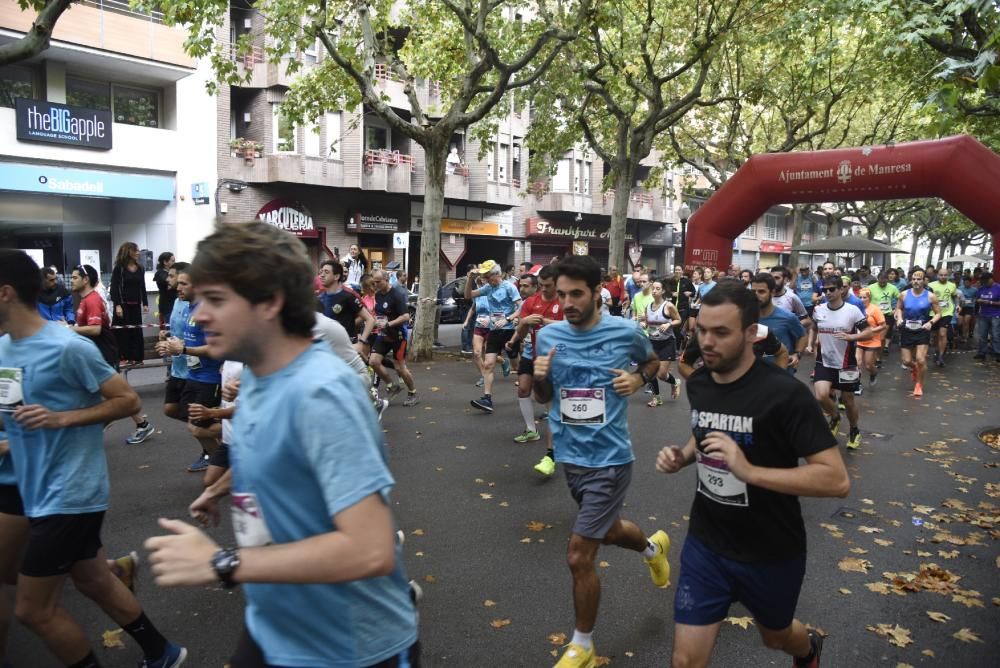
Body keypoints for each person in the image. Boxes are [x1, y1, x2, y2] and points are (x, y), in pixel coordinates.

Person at [143, 222, 418, 667]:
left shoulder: (321, 393)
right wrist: (216, 490)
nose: (198, 316)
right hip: (276, 623)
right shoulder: (256, 376)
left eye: (216, 300)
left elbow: (370, 549)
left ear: (269, 302)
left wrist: (224, 564)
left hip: (350, 647)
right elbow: (268, 456)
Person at [0, 249, 186, 668]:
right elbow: (13, 412)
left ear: (5, 293)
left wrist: (64, 418)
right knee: (92, 578)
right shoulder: (4, 350)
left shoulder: (65, 347)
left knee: (33, 610)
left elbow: (127, 400)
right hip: (29, 487)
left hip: (70, 491)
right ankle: (163, 653)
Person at [655, 279, 849, 668]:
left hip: (770, 548)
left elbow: (835, 479)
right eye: (703, 330)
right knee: (684, 661)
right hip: (707, 542)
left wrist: (748, 470)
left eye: (721, 333)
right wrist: (684, 456)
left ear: (749, 334)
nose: (707, 342)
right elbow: (707, 433)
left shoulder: (784, 394)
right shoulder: (701, 384)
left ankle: (808, 647)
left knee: (776, 637)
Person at [532, 255, 670, 668]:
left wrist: (639, 379)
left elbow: (653, 361)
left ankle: (583, 646)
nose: (568, 302)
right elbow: (542, 397)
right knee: (607, 532)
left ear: (597, 293)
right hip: (571, 458)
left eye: (577, 294)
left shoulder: (626, 331)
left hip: (610, 459)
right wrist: (540, 376)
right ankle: (651, 549)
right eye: (562, 295)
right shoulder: (548, 337)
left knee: (579, 555)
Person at [70, 264, 155, 445]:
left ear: (86, 280)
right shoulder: (85, 300)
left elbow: (95, 329)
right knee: (107, 394)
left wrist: (70, 329)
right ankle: (101, 426)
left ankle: (141, 424)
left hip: (103, 352)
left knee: (116, 395)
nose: (72, 280)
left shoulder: (91, 300)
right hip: (95, 353)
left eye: (75, 277)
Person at [154, 264, 223, 473]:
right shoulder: (190, 307)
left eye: (184, 283)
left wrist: (183, 349)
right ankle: (220, 461)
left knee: (197, 428)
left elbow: (216, 348)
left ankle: (227, 458)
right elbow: (189, 342)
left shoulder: (207, 310)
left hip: (209, 378)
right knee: (190, 422)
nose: (178, 287)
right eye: (179, 283)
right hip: (192, 375)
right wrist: (172, 344)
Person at [809, 276, 874, 450]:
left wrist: (852, 336)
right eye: (825, 290)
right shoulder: (819, 309)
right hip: (824, 361)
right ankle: (835, 416)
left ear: (840, 290)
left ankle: (854, 430)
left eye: (832, 289)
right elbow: (813, 328)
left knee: (849, 400)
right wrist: (810, 343)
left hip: (847, 363)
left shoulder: (852, 310)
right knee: (821, 395)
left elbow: (869, 332)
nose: (828, 293)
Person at [465, 260, 521, 413]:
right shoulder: (488, 288)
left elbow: (521, 307)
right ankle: (487, 399)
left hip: (509, 331)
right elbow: (468, 295)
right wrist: (470, 279)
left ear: (496, 274)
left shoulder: (509, 287)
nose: (486, 279)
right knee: (489, 364)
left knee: (517, 367)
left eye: (488, 276)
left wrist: (508, 319)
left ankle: (529, 385)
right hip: (494, 331)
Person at [371, 269, 419, 407]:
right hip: (383, 334)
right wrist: (375, 321)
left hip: (398, 336)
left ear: (386, 280)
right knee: (373, 361)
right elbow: (379, 313)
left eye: (378, 282)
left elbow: (405, 317)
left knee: (400, 368)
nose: (376, 284)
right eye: (374, 282)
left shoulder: (396, 295)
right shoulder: (378, 295)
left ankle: (412, 392)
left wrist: (388, 324)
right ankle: (392, 386)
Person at [894, 269, 941, 397]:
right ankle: (914, 368)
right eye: (914, 279)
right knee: (906, 361)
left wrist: (930, 323)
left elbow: (938, 314)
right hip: (907, 330)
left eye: (919, 279)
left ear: (924, 281)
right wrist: (899, 318)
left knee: (921, 360)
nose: (916, 281)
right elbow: (898, 308)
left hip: (922, 330)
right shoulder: (904, 294)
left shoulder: (930, 296)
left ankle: (918, 385)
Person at [317, 260, 375, 353]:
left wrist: (361, 342)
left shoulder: (348, 296)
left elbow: (370, 319)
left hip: (346, 347)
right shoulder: (320, 297)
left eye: (326, 272)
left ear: (336, 276)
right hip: (327, 347)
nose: (322, 275)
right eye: (321, 272)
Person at [751, 273, 806, 373]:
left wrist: (797, 354)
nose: (756, 295)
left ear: (772, 292)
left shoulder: (787, 317)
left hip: (782, 373)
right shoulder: (746, 317)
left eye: (761, 291)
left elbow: (802, 336)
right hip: (755, 374)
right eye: (753, 291)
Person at [640, 280, 683, 406]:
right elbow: (647, 324)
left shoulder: (668, 306)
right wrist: (643, 324)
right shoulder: (648, 306)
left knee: (662, 374)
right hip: (652, 342)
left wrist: (668, 323)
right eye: (653, 288)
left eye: (657, 288)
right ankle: (656, 398)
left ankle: (675, 382)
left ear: (663, 291)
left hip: (667, 343)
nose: (654, 290)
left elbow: (678, 320)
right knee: (651, 372)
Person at [111, 242, 149, 366]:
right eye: (135, 250)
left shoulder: (140, 268)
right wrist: (117, 305)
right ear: (128, 252)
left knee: (136, 330)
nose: (138, 252)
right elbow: (115, 288)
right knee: (122, 332)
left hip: (135, 304)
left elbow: (142, 286)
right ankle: (123, 357)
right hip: (123, 305)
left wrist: (145, 303)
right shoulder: (119, 268)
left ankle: (137, 357)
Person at [856, 288, 887, 389]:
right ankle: (857, 383)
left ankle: (873, 374)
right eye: (860, 297)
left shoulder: (874, 309)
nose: (862, 299)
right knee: (857, 362)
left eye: (864, 297)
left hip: (872, 341)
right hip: (860, 340)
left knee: (868, 365)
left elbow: (883, 326)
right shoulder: (856, 308)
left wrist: (870, 331)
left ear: (869, 298)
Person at [928, 270, 958, 367]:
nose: (943, 277)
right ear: (937, 275)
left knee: (942, 333)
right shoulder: (931, 285)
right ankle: (937, 350)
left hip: (947, 312)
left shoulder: (952, 285)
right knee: (936, 334)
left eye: (945, 275)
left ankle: (941, 356)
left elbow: (955, 296)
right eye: (941, 275)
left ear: (948, 276)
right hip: (934, 313)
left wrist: (957, 305)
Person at [867, 271, 900, 359]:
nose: (882, 283)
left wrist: (896, 309)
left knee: (881, 337)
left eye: (884, 282)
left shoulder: (893, 288)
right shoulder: (870, 288)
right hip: (873, 315)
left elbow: (900, 299)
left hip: (887, 315)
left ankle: (878, 356)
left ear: (887, 280)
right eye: (880, 281)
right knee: (873, 336)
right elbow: (864, 299)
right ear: (878, 279)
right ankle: (871, 355)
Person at [973, 271, 1000, 361]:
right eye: (983, 281)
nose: (984, 283)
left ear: (991, 279)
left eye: (986, 281)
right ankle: (982, 352)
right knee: (982, 335)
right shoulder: (981, 288)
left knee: (995, 335)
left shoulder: (998, 288)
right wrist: (978, 302)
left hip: (995, 314)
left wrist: (990, 302)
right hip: (983, 314)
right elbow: (976, 299)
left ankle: (997, 353)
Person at [153, 252, 177, 328]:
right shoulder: (160, 273)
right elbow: (169, 282)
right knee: (169, 329)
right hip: (167, 306)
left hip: (175, 304)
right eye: (172, 261)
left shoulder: (171, 273)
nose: (174, 263)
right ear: (165, 262)